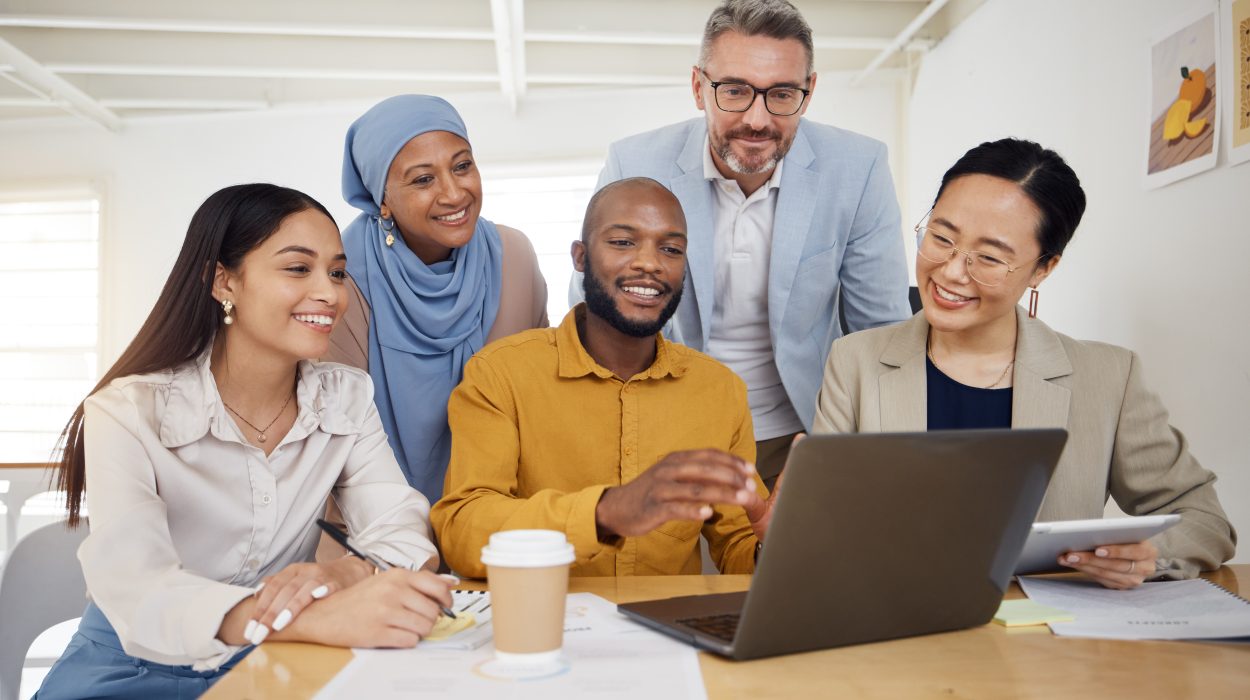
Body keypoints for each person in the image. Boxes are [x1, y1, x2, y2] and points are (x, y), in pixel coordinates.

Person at [36, 184, 454, 698]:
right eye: (298, 269)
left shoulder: (346, 397)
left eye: (337, 272)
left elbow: (400, 527)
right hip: (131, 668)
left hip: (270, 664)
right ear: (223, 282)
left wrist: (349, 575)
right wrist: (299, 620)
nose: (329, 293)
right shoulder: (127, 411)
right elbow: (137, 588)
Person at [812, 138, 1235, 589]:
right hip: (897, 628)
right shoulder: (855, 361)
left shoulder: (1109, 378)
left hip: (1047, 639)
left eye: (990, 258)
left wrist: (1148, 556)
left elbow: (1203, 517)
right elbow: (822, 524)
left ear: (1043, 269)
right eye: (940, 237)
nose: (952, 272)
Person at [576, 0, 911, 489]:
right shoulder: (635, 162)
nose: (757, 119)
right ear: (698, 88)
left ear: (809, 91)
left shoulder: (857, 169)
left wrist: (874, 460)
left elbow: (880, 335)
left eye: (781, 94)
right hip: (666, 423)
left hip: (800, 432)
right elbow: (595, 305)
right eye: (734, 91)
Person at [433, 178, 782, 578]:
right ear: (580, 257)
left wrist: (770, 543)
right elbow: (463, 531)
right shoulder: (499, 374)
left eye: (670, 249)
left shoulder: (719, 391)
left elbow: (738, 545)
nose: (650, 263)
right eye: (622, 242)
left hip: (667, 634)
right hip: (542, 623)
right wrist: (606, 512)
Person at [328, 94, 548, 502]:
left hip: (499, 509)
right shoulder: (343, 277)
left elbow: (538, 397)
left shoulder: (514, 257)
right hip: (374, 522)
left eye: (462, 166)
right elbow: (336, 431)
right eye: (423, 179)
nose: (453, 193)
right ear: (383, 200)